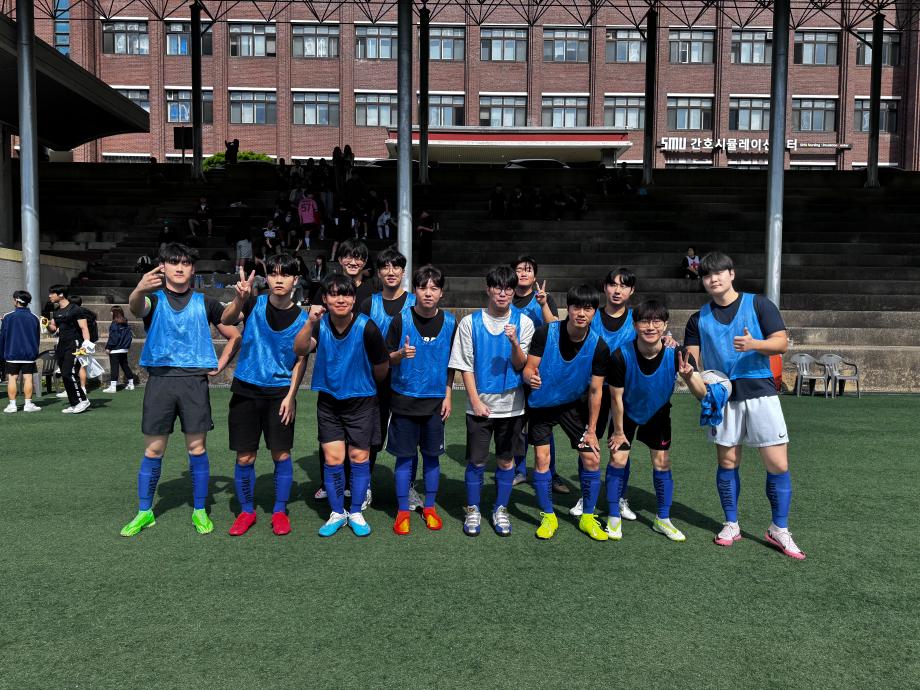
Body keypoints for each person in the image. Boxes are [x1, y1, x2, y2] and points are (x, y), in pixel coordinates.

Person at [683, 252, 805, 559]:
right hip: (723, 396)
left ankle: (779, 528)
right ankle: (731, 523)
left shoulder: (759, 304)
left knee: (778, 464)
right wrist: (687, 372)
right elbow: (692, 362)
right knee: (727, 462)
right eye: (707, 275)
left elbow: (781, 343)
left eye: (719, 272)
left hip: (760, 391)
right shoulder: (698, 319)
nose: (713, 279)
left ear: (731, 274)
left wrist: (754, 345)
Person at [119, 242, 241, 537]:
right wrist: (139, 288)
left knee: (197, 449)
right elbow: (136, 307)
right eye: (174, 262)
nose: (179, 268)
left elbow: (233, 329)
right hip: (160, 381)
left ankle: (200, 509)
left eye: (185, 263)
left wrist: (221, 363)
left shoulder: (206, 302)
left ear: (192, 269)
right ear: (163, 267)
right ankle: (145, 511)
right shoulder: (153, 299)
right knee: (153, 449)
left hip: (193, 383)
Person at [294, 274, 390, 538]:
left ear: (353, 299)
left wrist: (363, 382)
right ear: (325, 299)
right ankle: (337, 513)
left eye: (346, 294)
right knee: (333, 459)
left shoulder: (367, 327)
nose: (340, 299)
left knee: (359, 457)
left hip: (362, 402)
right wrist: (309, 322)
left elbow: (382, 366)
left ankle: (355, 511)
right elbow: (300, 349)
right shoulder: (319, 325)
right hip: (329, 403)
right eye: (334, 294)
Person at [221, 255, 309, 537]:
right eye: (273, 274)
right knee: (245, 457)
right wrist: (239, 298)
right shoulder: (253, 303)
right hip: (245, 390)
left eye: (286, 274)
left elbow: (301, 360)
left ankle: (280, 511)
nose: (279, 279)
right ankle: (246, 511)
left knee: (281, 454)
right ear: (267, 278)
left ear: (296, 279)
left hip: (279, 395)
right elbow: (226, 319)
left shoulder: (305, 319)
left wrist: (291, 396)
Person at [606, 300, 707, 542]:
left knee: (662, 462)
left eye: (656, 321)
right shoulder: (620, 355)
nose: (650, 327)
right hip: (626, 412)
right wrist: (618, 432)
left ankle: (662, 518)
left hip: (658, 412)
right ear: (634, 325)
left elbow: (702, 394)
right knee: (618, 459)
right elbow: (616, 398)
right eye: (644, 321)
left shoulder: (679, 354)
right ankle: (613, 515)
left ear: (665, 325)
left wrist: (689, 376)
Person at [448, 265, 534, 537]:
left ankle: (500, 509)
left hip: (513, 407)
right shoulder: (469, 323)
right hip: (480, 407)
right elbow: (465, 366)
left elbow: (521, 365)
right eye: (498, 287)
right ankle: (473, 509)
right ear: (488, 289)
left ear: (514, 291)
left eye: (508, 288)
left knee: (506, 461)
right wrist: (475, 401)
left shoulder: (524, 323)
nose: (503, 293)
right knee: (476, 462)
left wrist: (515, 343)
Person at [522, 285, 610, 541]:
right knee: (542, 460)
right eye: (576, 307)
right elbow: (528, 369)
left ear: (594, 312)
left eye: (588, 308)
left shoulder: (599, 346)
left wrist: (592, 430)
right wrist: (530, 378)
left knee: (592, 458)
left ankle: (587, 517)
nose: (581, 313)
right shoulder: (544, 333)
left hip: (573, 405)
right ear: (567, 308)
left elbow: (596, 391)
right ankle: (548, 516)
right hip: (542, 405)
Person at [386, 265, 457, 535]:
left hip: (435, 402)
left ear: (441, 293)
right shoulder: (400, 320)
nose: (428, 293)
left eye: (434, 288)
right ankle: (403, 510)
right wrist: (400, 354)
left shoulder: (450, 322)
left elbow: (453, 364)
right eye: (423, 287)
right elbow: (386, 358)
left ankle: (429, 507)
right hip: (404, 400)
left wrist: (448, 393)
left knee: (432, 458)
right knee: (404, 458)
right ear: (414, 290)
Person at [359, 248, 417, 505]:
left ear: (403, 272)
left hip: (407, 380)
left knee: (409, 438)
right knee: (371, 435)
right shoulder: (368, 304)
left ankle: (409, 487)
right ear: (379, 272)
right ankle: (364, 485)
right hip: (375, 380)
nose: (391, 272)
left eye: (396, 267)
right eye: (385, 267)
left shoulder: (415, 302)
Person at [509, 256, 563, 490]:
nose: (523, 273)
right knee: (517, 422)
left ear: (535, 276)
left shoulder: (543, 298)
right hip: (512, 367)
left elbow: (555, 328)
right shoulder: (505, 297)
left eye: (528, 270)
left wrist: (543, 304)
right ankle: (519, 470)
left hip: (539, 369)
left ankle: (551, 472)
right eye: (519, 269)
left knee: (542, 423)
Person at [46, 285, 92, 414]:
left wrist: (86, 345)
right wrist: (47, 325)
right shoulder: (56, 311)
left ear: (61, 295)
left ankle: (83, 401)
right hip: (62, 344)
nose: (50, 296)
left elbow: (84, 328)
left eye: (52, 293)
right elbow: (54, 329)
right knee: (64, 374)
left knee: (69, 373)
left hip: (74, 344)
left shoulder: (75, 309)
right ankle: (74, 403)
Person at [1, 290, 41, 413]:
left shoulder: (7, 317)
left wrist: (2, 353)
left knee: (12, 378)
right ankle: (28, 404)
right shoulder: (34, 317)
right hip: (29, 353)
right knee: (28, 378)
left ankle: (12, 405)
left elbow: (3, 337)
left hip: (12, 353)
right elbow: (37, 337)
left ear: (16, 300)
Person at [103, 306, 135, 393]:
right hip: (124, 349)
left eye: (111, 312)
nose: (110, 313)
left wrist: (108, 347)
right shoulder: (125, 323)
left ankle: (113, 387)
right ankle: (131, 384)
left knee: (114, 368)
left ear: (114, 313)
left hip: (115, 349)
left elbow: (114, 338)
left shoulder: (114, 324)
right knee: (125, 366)